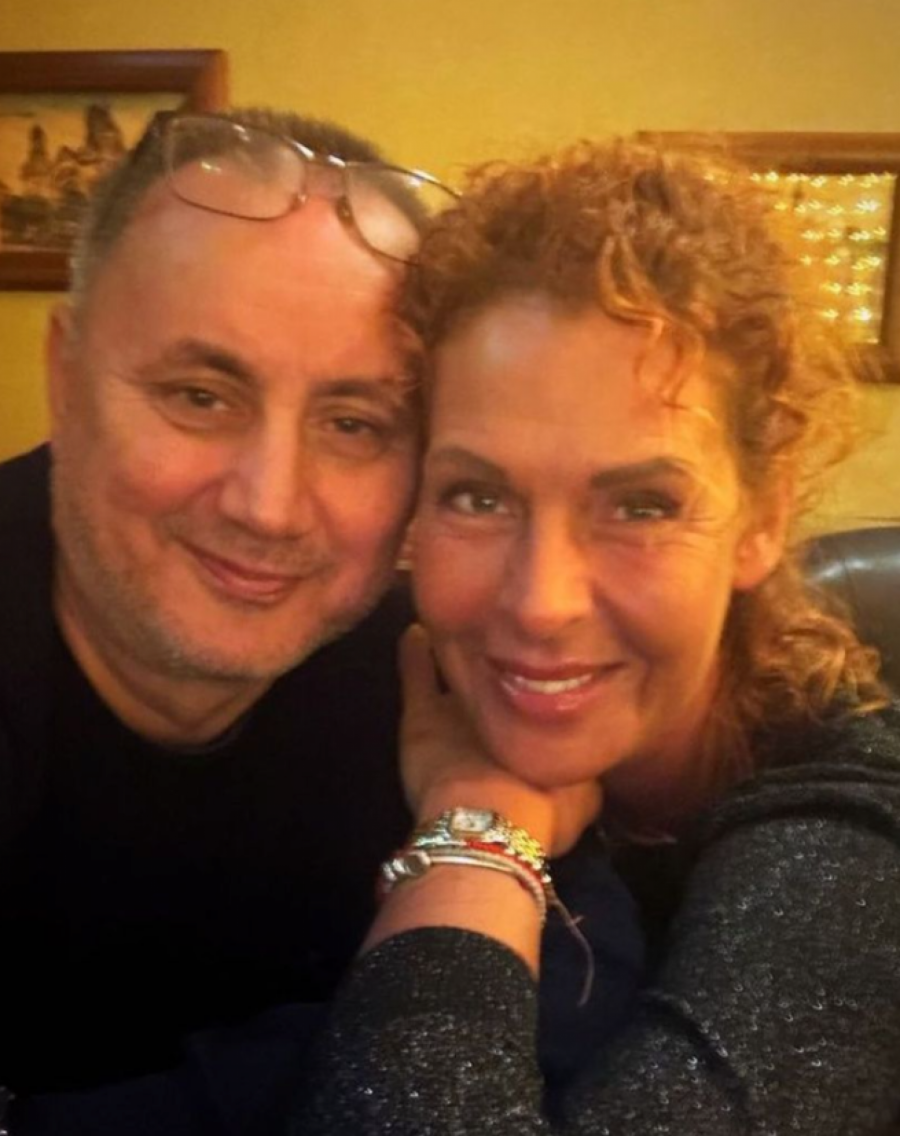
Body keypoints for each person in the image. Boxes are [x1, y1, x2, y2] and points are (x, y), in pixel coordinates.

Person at [295, 138, 900, 1135]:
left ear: (761, 517)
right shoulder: (366, 693)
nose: (542, 604)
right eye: (478, 496)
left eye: (643, 506)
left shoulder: (854, 850)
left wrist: (474, 838)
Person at [0, 105, 438, 1127]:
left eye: (354, 423)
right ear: (64, 379)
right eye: (199, 396)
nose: (268, 506)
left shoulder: (440, 673)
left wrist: (477, 829)